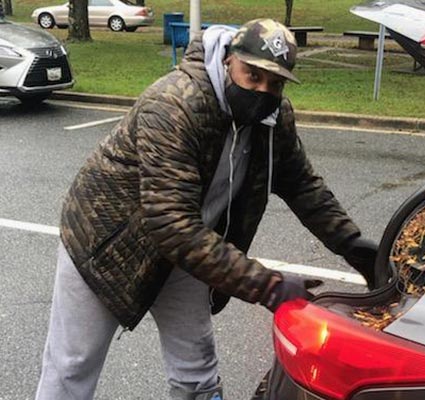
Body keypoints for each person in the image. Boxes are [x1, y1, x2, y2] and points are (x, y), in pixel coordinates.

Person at [35, 18, 378, 400]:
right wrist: (269, 286)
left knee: (196, 372)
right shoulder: (174, 104)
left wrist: (353, 245)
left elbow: (300, 184)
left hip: (190, 247)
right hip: (103, 245)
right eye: (253, 76)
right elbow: (171, 222)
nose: (263, 91)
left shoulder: (272, 118)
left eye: (275, 83)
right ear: (230, 61)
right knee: (72, 367)